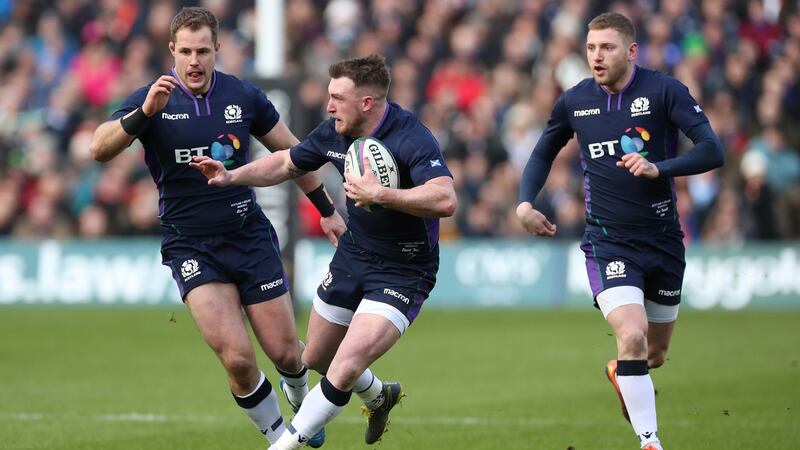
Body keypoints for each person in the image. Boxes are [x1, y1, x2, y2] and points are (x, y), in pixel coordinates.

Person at [88, 7, 344, 448]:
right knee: (239, 360)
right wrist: (141, 115)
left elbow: (294, 155)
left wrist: (325, 208)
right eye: (185, 51)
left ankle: (300, 397)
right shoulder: (153, 98)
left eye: (202, 51)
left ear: (217, 50)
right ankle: (283, 439)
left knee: (286, 353)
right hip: (191, 247)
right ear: (171, 51)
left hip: (247, 236)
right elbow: (98, 148)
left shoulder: (243, 96)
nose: (194, 61)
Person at [191, 54, 457, 449]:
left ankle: (284, 445)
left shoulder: (409, 136)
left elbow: (445, 198)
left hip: (404, 268)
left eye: (337, 97)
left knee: (346, 366)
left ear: (366, 103)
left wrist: (382, 194)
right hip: (354, 255)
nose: (328, 105)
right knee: (314, 358)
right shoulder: (334, 131)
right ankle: (380, 395)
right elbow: (286, 163)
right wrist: (234, 176)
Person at [516, 12, 723, 450]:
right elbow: (541, 154)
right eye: (591, 48)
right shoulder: (574, 101)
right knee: (631, 333)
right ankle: (650, 441)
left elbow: (711, 150)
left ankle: (621, 371)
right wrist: (524, 203)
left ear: (631, 51)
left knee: (654, 354)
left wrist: (658, 167)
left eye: (606, 47)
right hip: (608, 242)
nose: (596, 56)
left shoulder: (664, 90)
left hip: (664, 241)